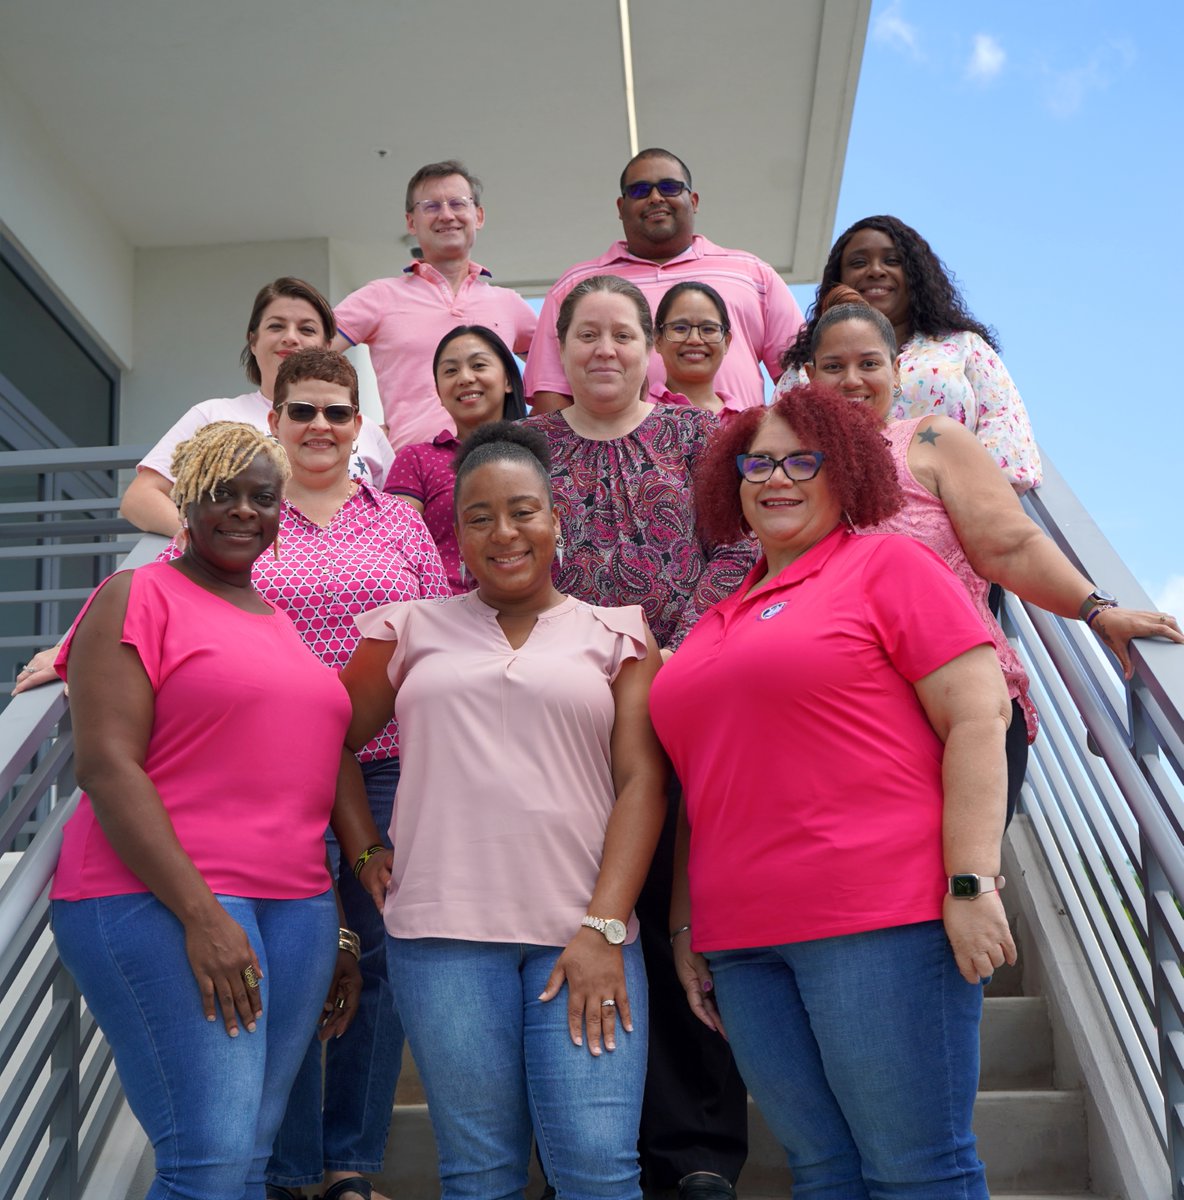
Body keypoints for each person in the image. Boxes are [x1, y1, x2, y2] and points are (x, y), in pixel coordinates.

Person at [650, 383, 1017, 1197]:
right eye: (757, 464)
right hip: (742, 942)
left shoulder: (890, 565)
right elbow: (702, 783)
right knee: (820, 1174)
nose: (775, 479)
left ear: (846, 469)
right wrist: (685, 921)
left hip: (877, 920)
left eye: (801, 461)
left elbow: (979, 717)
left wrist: (971, 881)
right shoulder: (716, 619)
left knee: (916, 1170)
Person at [49, 421, 389, 1199]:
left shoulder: (279, 623)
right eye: (221, 494)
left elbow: (298, 784)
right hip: (164, 899)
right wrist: (202, 916)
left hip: (296, 909)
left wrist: (338, 927)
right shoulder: (137, 595)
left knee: (248, 1157)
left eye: (261, 498)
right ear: (187, 503)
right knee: (209, 1158)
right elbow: (106, 765)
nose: (243, 511)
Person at [339, 422, 667, 1200]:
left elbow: (642, 783)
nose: (504, 533)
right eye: (479, 517)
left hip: (583, 932)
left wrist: (604, 927)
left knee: (598, 1169)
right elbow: (328, 743)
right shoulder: (406, 629)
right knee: (480, 1174)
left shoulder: (619, 635)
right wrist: (364, 849)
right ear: (458, 534)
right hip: (442, 939)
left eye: (523, 511)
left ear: (556, 518)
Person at [150, 351, 449, 1200]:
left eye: (337, 412)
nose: (320, 425)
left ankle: (350, 1162)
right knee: (285, 963)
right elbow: (165, 595)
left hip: (385, 769)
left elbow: (436, 632)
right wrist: (67, 650)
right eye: (303, 410)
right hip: (266, 771)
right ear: (273, 420)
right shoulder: (239, 514)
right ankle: (285, 1169)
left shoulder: (399, 524)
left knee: (379, 960)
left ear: (361, 427)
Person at [528, 274, 753, 1200]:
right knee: (580, 920)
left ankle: (697, 1153)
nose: (605, 350)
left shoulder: (701, 438)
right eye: (586, 334)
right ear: (560, 349)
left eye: (623, 333)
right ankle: (583, 1148)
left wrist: (670, 652)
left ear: (650, 347)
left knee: (676, 921)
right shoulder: (529, 448)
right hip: (570, 718)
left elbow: (742, 545)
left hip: (682, 700)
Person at [803, 284, 1184, 820]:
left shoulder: (932, 441)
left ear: (897, 370)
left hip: (962, 716)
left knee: (962, 873)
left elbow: (1010, 545)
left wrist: (1098, 610)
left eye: (869, 363)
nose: (851, 381)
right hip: (831, 722)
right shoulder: (786, 469)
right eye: (832, 366)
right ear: (809, 376)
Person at [524, 148, 803, 414]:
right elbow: (551, 393)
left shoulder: (754, 274)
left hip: (740, 444)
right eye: (640, 190)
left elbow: (799, 379)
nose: (656, 197)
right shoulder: (576, 285)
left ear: (693, 201)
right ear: (621, 207)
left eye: (670, 187)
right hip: (617, 448)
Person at [782, 215, 1041, 491]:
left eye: (892, 261)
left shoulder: (964, 346)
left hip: (958, 506)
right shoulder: (804, 368)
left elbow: (1005, 433)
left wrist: (963, 503)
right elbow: (779, 450)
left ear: (915, 274)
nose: (875, 270)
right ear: (839, 280)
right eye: (858, 263)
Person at [121, 277, 393, 535]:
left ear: (327, 345)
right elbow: (141, 497)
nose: (291, 337)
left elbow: (397, 516)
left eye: (307, 329)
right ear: (253, 341)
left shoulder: (366, 430)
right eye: (276, 326)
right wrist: (203, 542)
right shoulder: (213, 415)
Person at [332, 160, 536, 452]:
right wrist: (360, 430)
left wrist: (537, 429)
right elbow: (308, 361)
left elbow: (559, 374)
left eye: (458, 203)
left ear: (478, 215)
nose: (447, 215)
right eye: (431, 206)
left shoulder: (509, 304)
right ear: (411, 222)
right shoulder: (379, 297)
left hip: (498, 463)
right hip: (411, 470)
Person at [384, 325, 527, 594]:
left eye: (478, 365)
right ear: (439, 393)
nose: (465, 378)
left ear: (508, 380)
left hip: (534, 607)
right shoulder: (417, 460)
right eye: (451, 371)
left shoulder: (545, 448)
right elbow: (394, 547)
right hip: (444, 609)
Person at [653, 281, 743, 422]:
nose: (694, 340)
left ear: (726, 342)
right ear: (658, 340)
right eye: (680, 328)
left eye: (708, 329)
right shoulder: (635, 412)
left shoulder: (746, 421)